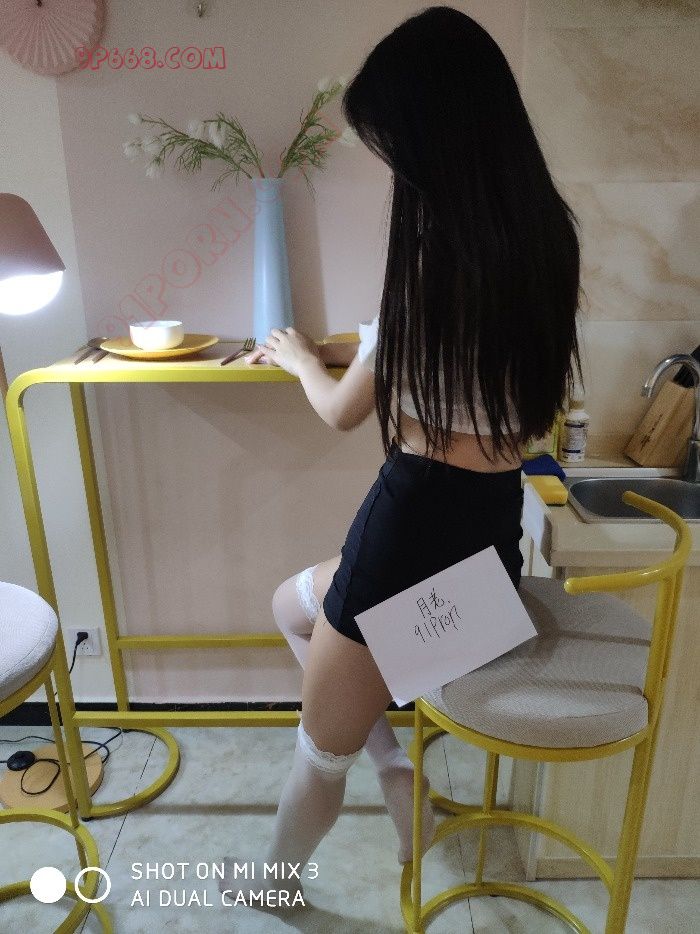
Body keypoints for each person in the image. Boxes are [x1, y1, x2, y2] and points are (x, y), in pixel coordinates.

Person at [220, 5, 583, 906]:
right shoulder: (547, 236)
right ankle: (398, 776)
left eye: (393, 149)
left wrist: (299, 357)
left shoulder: (428, 265)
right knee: (290, 607)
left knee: (319, 749)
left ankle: (276, 882)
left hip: (412, 528)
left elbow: (343, 412)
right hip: (488, 540)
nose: (392, 169)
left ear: (433, 140)